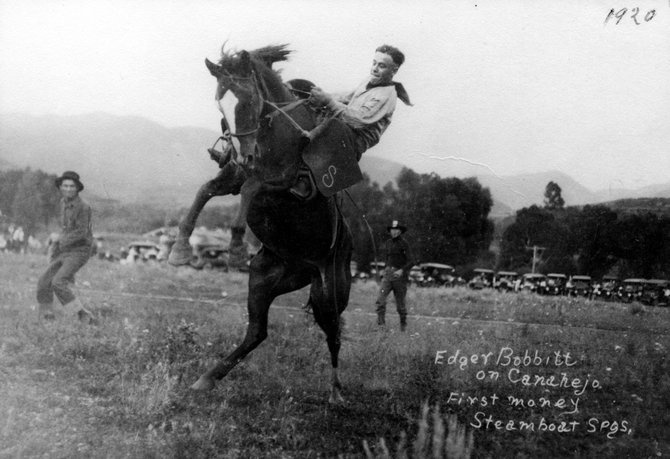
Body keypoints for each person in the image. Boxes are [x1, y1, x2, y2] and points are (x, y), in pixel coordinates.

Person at [309, 44, 412, 160]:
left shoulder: (386, 96)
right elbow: (349, 96)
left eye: (381, 66)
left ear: (394, 70)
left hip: (353, 142)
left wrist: (328, 101)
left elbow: (357, 120)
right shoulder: (370, 80)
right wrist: (324, 95)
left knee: (314, 143)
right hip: (344, 127)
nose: (374, 69)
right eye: (374, 63)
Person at [36, 171, 95, 322]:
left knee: (58, 282)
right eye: (65, 186)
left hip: (79, 251)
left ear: (77, 189)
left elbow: (82, 233)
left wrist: (59, 239)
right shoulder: (63, 203)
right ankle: (47, 316)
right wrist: (55, 239)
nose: (68, 189)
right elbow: (66, 228)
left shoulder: (84, 207)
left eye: (72, 186)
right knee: (44, 281)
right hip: (64, 249)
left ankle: (83, 315)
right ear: (61, 187)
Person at [374, 220, 415, 331]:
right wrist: (385, 269)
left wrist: (402, 270)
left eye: (397, 229)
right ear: (390, 231)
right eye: (392, 230)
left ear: (400, 231)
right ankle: (381, 327)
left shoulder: (404, 244)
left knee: (400, 305)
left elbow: (412, 261)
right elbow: (388, 259)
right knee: (380, 300)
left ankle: (403, 326)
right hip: (387, 276)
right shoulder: (388, 243)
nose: (394, 232)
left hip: (399, 278)